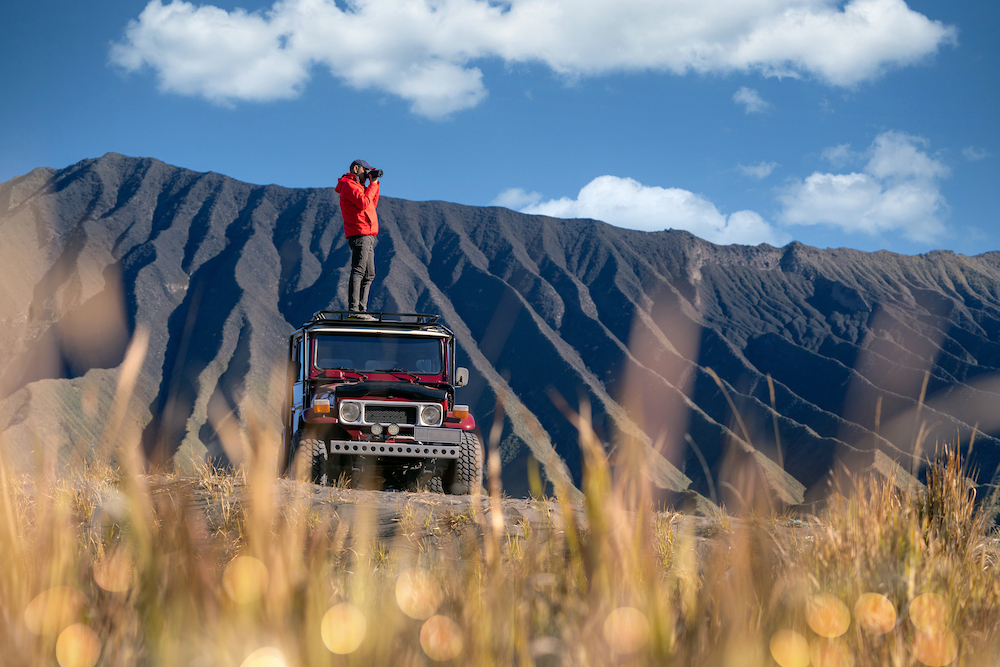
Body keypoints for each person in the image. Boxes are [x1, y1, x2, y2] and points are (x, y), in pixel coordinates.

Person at [336, 159, 381, 319]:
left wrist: (373, 184)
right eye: (366, 171)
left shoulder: (359, 187)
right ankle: (354, 310)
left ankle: (362, 310)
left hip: (367, 234)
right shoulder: (349, 185)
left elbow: (371, 205)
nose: (367, 174)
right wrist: (372, 185)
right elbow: (363, 203)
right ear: (356, 168)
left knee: (369, 274)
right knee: (359, 270)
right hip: (359, 233)